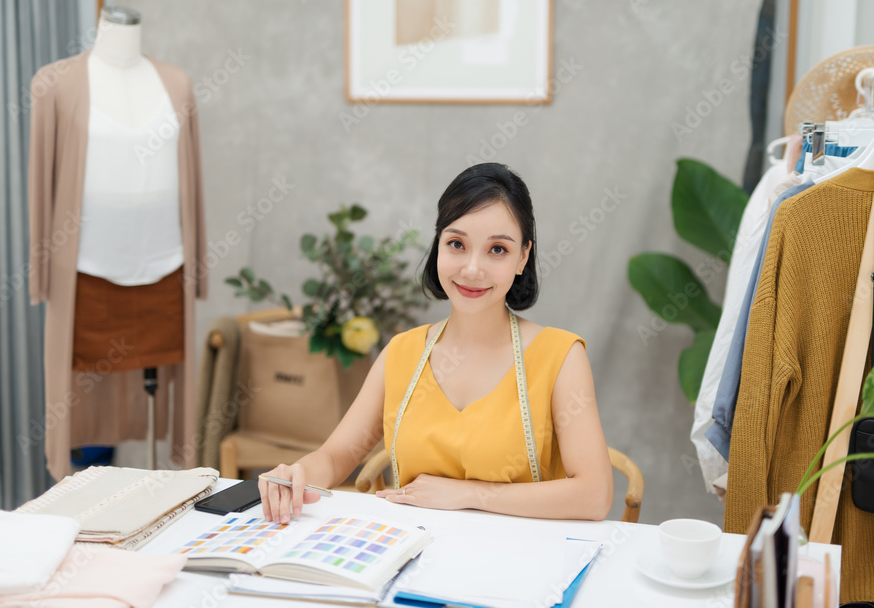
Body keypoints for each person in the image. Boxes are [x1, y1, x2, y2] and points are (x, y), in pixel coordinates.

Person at [259, 163, 613, 523]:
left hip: (520, 562)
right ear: (438, 245)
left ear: (523, 256)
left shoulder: (560, 357)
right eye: (457, 244)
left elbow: (594, 496)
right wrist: (297, 473)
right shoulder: (401, 353)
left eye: (497, 250)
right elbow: (335, 458)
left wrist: (468, 495)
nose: (472, 269)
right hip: (413, 553)